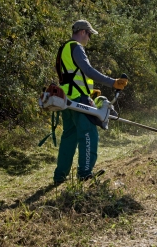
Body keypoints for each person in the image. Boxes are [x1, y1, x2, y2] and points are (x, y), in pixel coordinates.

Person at [53, 20, 128, 184]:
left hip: (67, 99)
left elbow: (70, 76)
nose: (89, 39)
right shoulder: (76, 47)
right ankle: (85, 173)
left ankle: (60, 176)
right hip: (78, 99)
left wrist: (90, 91)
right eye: (89, 35)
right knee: (88, 134)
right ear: (82, 32)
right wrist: (113, 82)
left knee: (69, 137)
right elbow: (88, 71)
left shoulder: (63, 48)